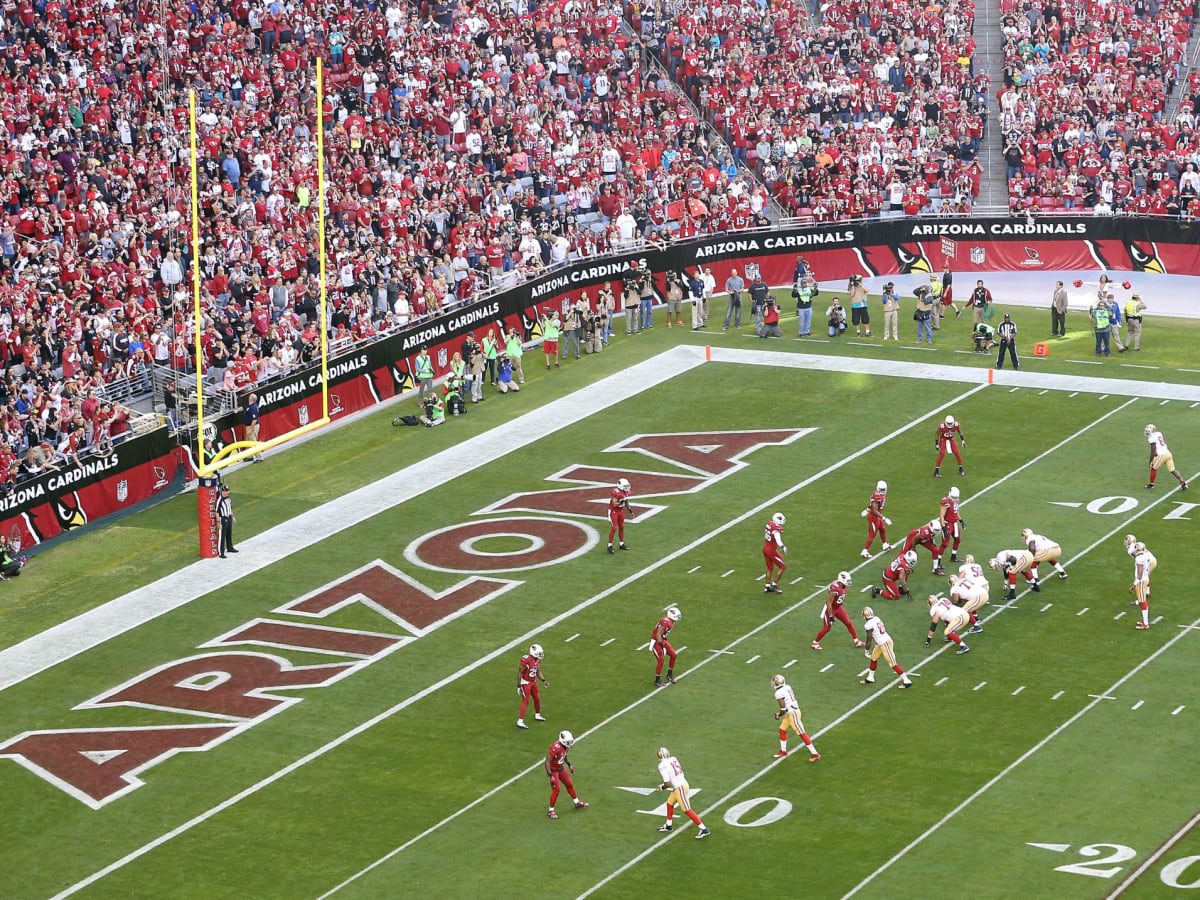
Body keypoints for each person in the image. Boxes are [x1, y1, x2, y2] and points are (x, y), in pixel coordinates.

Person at [655, 747, 709, 838]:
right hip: (681, 784)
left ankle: (704, 829)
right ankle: (668, 825)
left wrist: (662, 787)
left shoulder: (662, 766)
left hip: (680, 788)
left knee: (687, 809)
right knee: (669, 803)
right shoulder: (673, 758)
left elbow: (667, 783)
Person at [859, 607, 913, 687]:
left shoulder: (868, 625)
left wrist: (866, 650)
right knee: (873, 658)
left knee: (893, 663)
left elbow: (869, 639)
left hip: (885, 643)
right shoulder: (876, 618)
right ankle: (870, 678)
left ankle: (906, 681)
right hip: (881, 643)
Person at [811, 571, 866, 650]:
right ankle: (815, 643)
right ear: (842, 580)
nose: (848, 582)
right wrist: (831, 616)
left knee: (849, 623)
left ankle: (856, 641)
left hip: (838, 608)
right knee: (827, 628)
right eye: (847, 580)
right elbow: (829, 602)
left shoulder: (844, 586)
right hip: (830, 609)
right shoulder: (835, 589)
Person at [771, 674, 820, 761]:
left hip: (793, 714)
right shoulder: (787, 687)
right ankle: (783, 751)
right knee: (782, 729)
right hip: (790, 712)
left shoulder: (778, 693)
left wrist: (779, 714)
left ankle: (815, 754)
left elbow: (783, 707)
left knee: (802, 733)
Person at [545, 730, 589, 819]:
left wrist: (569, 764)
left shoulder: (565, 746)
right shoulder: (555, 747)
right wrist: (550, 775)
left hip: (560, 768)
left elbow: (564, 755)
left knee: (569, 784)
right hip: (554, 770)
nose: (570, 743)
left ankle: (576, 803)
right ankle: (551, 810)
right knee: (557, 790)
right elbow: (547, 761)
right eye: (568, 742)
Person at [948, 555, 989, 633]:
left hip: (979, 597)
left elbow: (956, 601)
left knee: (963, 611)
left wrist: (952, 604)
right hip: (985, 589)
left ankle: (977, 626)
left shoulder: (955, 588)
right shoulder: (977, 567)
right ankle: (976, 617)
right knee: (969, 602)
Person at [1145, 424, 1188, 490]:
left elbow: (1153, 450)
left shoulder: (1151, 438)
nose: (1147, 432)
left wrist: (1150, 461)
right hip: (1168, 453)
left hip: (1162, 455)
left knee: (1153, 468)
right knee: (1172, 469)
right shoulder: (1159, 433)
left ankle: (1151, 485)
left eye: (1148, 431)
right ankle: (1183, 483)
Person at [516, 643, 549, 729]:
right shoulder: (526, 660)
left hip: (533, 682)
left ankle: (537, 715)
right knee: (526, 701)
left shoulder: (537, 660)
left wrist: (543, 680)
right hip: (525, 683)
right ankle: (520, 721)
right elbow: (520, 672)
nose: (540, 655)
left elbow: (537, 672)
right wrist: (519, 685)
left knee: (537, 698)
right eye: (539, 653)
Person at [1128, 539, 1157, 630]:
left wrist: (1133, 585)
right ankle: (1144, 621)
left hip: (1141, 582)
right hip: (1145, 579)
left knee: (1142, 601)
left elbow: (1139, 575)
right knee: (1142, 601)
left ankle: (1145, 623)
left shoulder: (1139, 558)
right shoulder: (1145, 555)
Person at [861, 480, 892, 558]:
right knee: (872, 534)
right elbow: (874, 510)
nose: (883, 491)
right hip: (874, 517)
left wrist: (867, 509)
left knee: (882, 529)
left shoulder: (878, 494)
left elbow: (871, 504)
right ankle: (864, 551)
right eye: (881, 489)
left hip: (877, 517)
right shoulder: (877, 496)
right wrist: (884, 518)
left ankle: (885, 544)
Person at [651, 606, 681, 686]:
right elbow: (658, 634)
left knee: (673, 655)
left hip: (662, 640)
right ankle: (657, 680)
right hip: (656, 641)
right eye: (677, 616)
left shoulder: (672, 621)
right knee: (661, 660)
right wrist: (662, 645)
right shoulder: (665, 622)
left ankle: (669, 674)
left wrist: (664, 641)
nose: (678, 617)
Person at [762, 511, 787, 593]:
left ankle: (767, 586)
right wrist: (783, 547)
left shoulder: (769, 524)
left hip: (765, 548)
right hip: (771, 550)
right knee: (782, 566)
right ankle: (774, 584)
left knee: (770, 567)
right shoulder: (776, 529)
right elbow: (778, 540)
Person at [938, 485, 964, 562]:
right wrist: (943, 527)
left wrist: (961, 520)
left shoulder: (956, 500)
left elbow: (956, 512)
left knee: (958, 540)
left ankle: (953, 557)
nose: (955, 498)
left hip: (954, 523)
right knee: (945, 543)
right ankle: (938, 561)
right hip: (947, 523)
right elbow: (941, 515)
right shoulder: (946, 502)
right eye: (953, 496)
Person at [608, 476, 631, 552]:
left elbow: (626, 501)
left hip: (620, 511)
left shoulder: (626, 492)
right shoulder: (616, 493)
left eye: (627, 486)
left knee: (622, 527)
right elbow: (614, 504)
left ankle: (621, 544)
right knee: (614, 528)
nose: (627, 487)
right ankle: (609, 546)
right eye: (625, 486)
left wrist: (630, 509)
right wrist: (620, 502)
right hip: (613, 511)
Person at [239, 393, 263, 463]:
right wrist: (237, 410)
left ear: (251, 399)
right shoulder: (249, 405)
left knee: (253, 441)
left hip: (252, 426)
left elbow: (254, 420)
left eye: (249, 396)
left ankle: (260, 457)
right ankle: (250, 456)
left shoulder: (253, 408)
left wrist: (250, 429)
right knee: (248, 441)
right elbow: (243, 407)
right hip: (248, 426)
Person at [217, 482, 237, 558]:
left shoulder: (228, 498)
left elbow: (230, 508)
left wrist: (232, 516)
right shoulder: (220, 500)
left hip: (228, 517)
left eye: (228, 491)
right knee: (222, 536)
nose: (227, 492)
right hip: (223, 518)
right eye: (226, 491)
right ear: (223, 491)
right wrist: (218, 522)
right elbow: (216, 512)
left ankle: (230, 547)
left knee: (229, 533)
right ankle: (221, 552)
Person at [624, 263, 641, 335]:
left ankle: (635, 330)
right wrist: (627, 287)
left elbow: (639, 293)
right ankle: (628, 331)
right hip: (629, 304)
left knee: (635, 318)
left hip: (635, 304)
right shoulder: (626, 287)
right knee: (628, 319)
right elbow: (625, 296)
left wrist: (636, 287)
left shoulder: (636, 286)